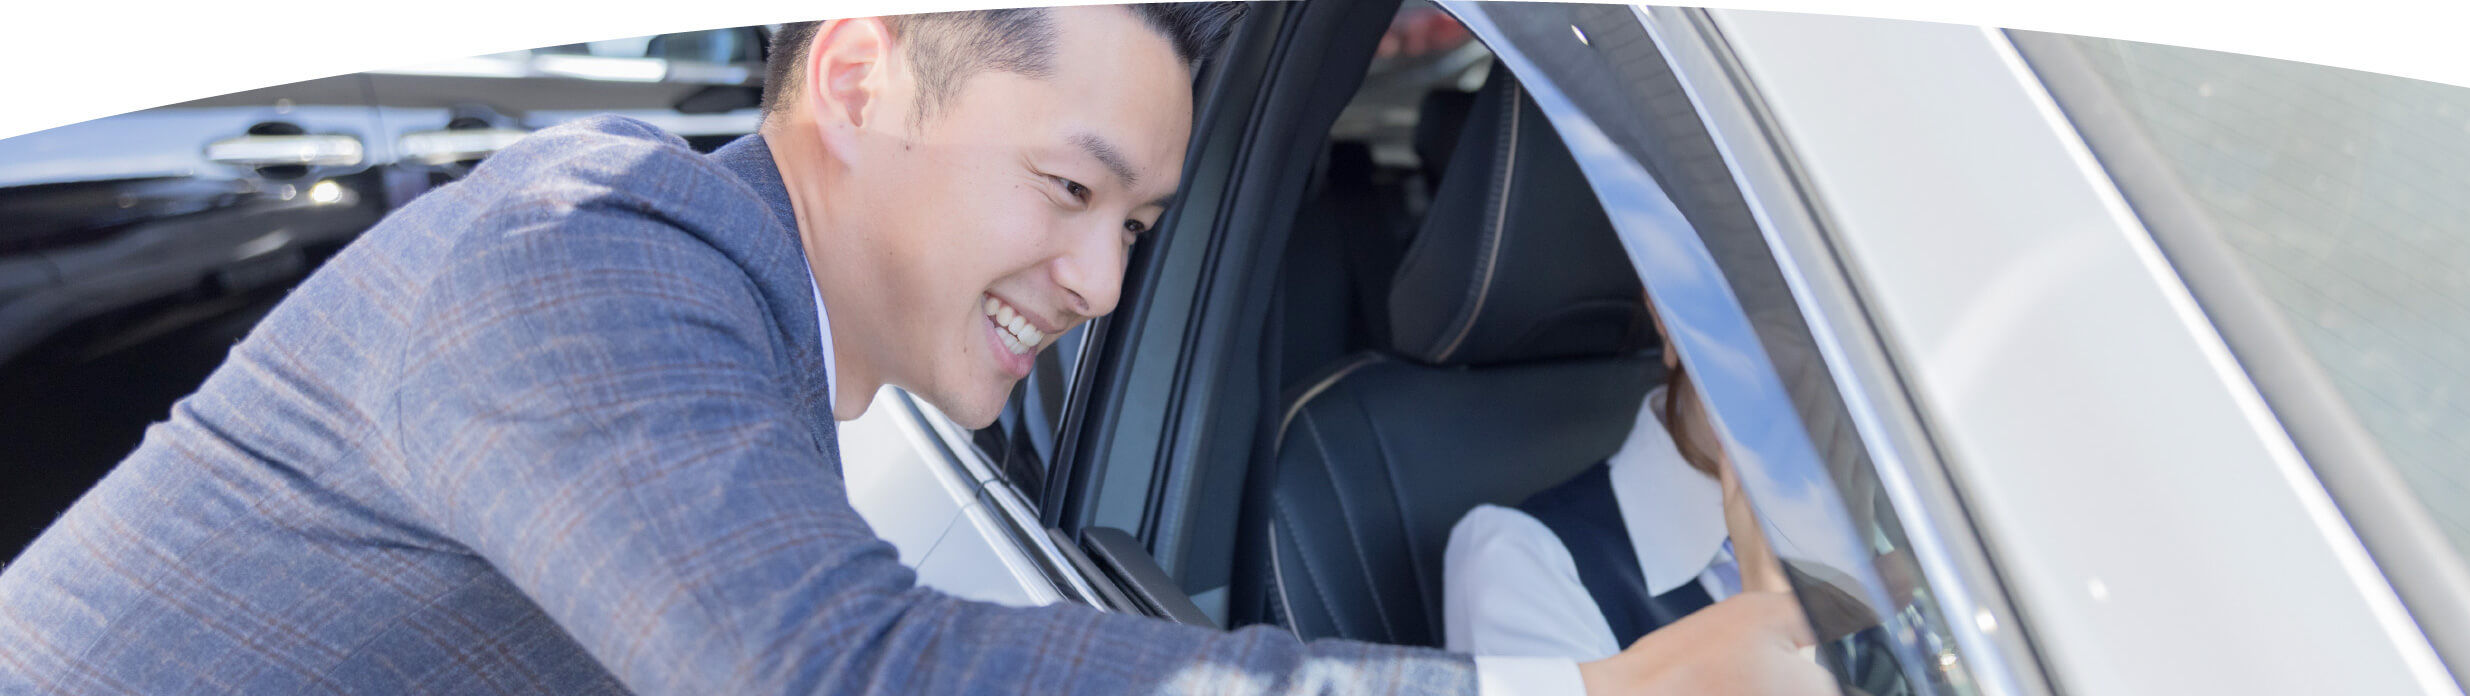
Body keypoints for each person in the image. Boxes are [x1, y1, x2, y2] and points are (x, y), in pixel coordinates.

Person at [0, 6, 1829, 695]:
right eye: (1069, 188)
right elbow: (840, 670)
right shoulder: (581, 255)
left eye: (1138, 230)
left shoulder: (753, 339)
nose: (1099, 284)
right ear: (863, 79)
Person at [1444, 298, 1897, 693]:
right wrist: (1775, 597)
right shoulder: (1525, 560)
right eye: (1776, 309)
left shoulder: (1893, 517)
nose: (1820, 363)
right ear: (1669, 313)